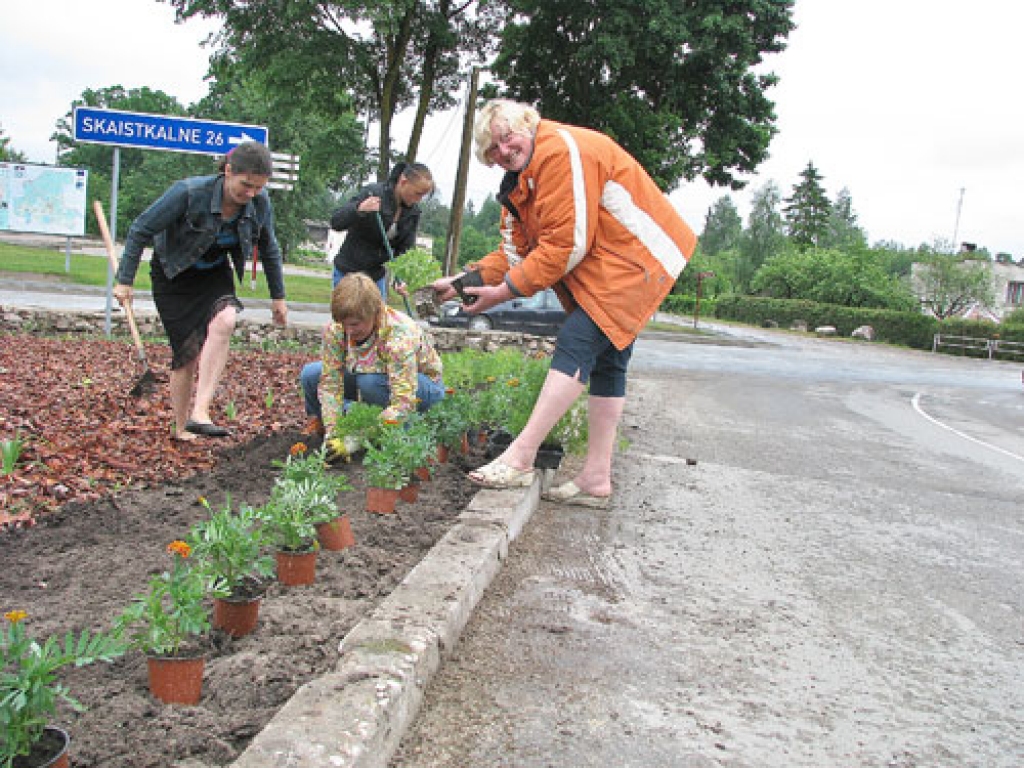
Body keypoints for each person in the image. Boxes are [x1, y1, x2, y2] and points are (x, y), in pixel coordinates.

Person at [432, 99, 697, 507]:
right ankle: (596, 478)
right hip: (613, 264)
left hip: (637, 259)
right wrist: (463, 282)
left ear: (528, 123)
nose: (503, 151)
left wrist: (503, 293)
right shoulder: (521, 185)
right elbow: (516, 254)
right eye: (493, 150)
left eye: (507, 138)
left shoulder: (558, 152)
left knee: (577, 342)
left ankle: (521, 457)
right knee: (609, 362)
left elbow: (565, 246)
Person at [113, 141, 288, 442]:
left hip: (214, 273)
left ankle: (201, 411)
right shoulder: (188, 193)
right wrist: (124, 280)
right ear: (228, 171)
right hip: (174, 277)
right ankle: (181, 427)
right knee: (186, 353)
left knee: (226, 320)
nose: (251, 194)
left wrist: (278, 297)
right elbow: (141, 229)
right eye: (246, 185)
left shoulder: (260, 204)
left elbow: (269, 248)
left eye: (258, 188)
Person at [300, 162, 434, 436]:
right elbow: (337, 221)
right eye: (417, 192)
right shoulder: (373, 193)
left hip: (377, 273)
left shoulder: (412, 213)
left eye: (423, 196)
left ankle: (378, 419)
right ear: (403, 182)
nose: (418, 199)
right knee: (350, 338)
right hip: (349, 269)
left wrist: (401, 275)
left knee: (374, 348)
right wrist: (359, 211)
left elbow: (404, 248)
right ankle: (329, 418)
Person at [318, 272, 445, 461]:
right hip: (372, 377)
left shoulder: (400, 335)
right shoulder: (338, 330)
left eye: (355, 324)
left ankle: (397, 440)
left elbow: (404, 402)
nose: (349, 331)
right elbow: (330, 384)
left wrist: (354, 440)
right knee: (311, 374)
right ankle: (328, 428)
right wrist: (333, 431)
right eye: (344, 324)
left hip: (422, 389)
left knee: (369, 381)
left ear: (374, 313)